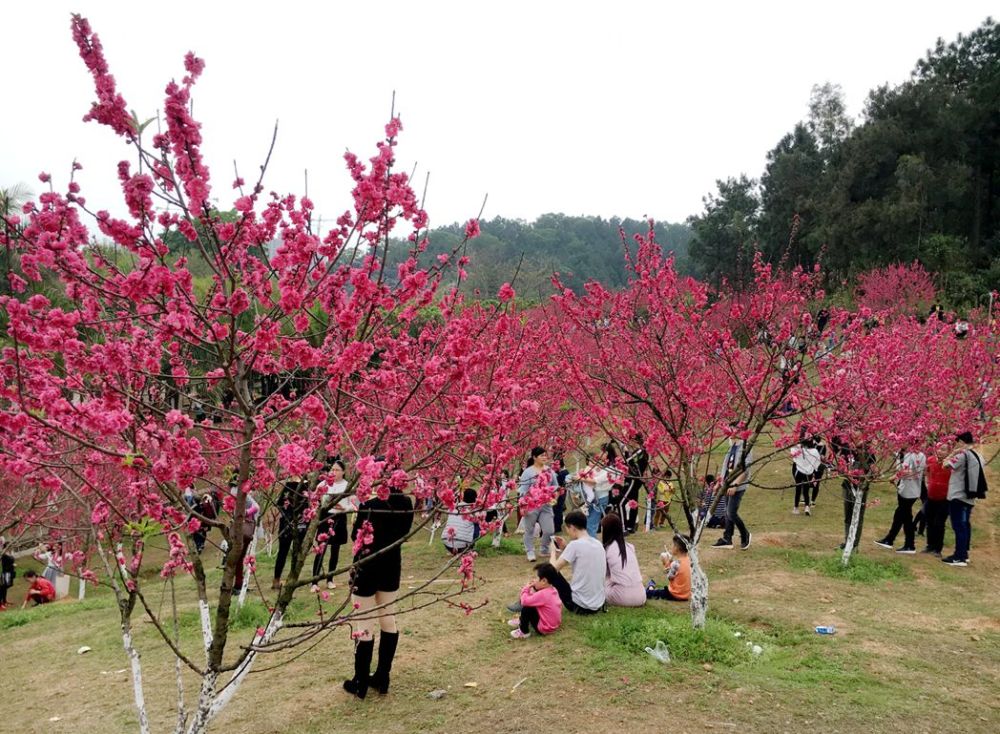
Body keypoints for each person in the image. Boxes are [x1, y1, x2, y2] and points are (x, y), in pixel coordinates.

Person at [343, 477, 415, 699]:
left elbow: (358, 534)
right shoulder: (405, 503)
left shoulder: (370, 505)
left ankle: (360, 681)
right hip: (392, 565)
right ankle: (383, 676)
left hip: (368, 566)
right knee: (388, 618)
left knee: (364, 621)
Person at [545, 510, 606, 614]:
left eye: (567, 529)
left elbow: (553, 568)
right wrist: (565, 547)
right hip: (598, 603)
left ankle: (528, 600)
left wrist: (553, 552)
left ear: (572, 527)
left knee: (547, 570)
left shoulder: (575, 545)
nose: (567, 533)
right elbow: (581, 554)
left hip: (580, 606)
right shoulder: (597, 543)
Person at [942, 432, 984, 567]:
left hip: (958, 495)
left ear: (961, 442)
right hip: (970, 495)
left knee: (959, 526)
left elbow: (945, 465)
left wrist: (952, 453)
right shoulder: (979, 456)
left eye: (957, 442)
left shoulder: (962, 455)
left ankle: (959, 557)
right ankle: (964, 554)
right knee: (965, 525)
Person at [874, 448, 926, 553]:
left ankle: (894, 540)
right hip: (903, 488)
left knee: (902, 515)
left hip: (910, 491)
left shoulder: (918, 455)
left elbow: (911, 472)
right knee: (904, 516)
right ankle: (902, 543)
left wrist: (894, 476)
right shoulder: (901, 453)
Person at [313, 459, 352, 591]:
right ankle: (314, 581)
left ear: (343, 472)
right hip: (325, 517)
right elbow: (315, 500)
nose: (334, 472)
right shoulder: (323, 484)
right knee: (321, 550)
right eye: (332, 469)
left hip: (339, 518)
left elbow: (352, 505)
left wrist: (343, 508)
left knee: (335, 550)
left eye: (337, 470)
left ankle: (330, 579)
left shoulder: (347, 485)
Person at [712, 432, 753, 550]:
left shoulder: (745, 448)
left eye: (732, 430)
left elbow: (745, 470)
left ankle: (745, 534)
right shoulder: (731, 447)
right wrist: (719, 483)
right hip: (727, 485)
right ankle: (727, 538)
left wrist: (735, 485)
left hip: (738, 486)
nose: (729, 433)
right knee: (727, 512)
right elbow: (725, 467)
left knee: (731, 512)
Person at [517, 447, 556, 562]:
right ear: (534, 457)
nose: (545, 457)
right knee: (529, 530)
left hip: (546, 505)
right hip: (531, 505)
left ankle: (544, 549)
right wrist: (522, 505)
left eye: (545, 455)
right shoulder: (528, 472)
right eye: (542, 455)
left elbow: (556, 486)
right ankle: (530, 551)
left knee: (549, 530)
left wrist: (554, 495)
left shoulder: (549, 470)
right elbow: (522, 490)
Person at [508, 563, 563, 639]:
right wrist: (532, 589)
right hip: (553, 625)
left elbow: (524, 601)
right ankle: (521, 620)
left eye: (536, 577)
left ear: (544, 581)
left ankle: (524, 631)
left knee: (527, 608)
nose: (533, 580)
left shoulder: (543, 594)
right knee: (532, 603)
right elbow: (535, 597)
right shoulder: (553, 590)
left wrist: (526, 588)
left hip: (545, 628)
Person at [600, 513, 645, 607]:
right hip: (641, 595)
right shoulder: (630, 547)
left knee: (602, 581)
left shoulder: (607, 549)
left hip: (622, 597)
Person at [578, 443, 621, 538]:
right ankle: (590, 544)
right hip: (597, 495)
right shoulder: (605, 466)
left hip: (600, 497)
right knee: (590, 522)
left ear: (607, 453)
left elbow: (595, 481)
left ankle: (592, 546)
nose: (599, 454)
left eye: (602, 451)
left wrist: (579, 478)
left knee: (591, 524)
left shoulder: (611, 469)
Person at [272, 475, 307, 590]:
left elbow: (309, 505)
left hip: (301, 523)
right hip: (287, 524)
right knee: (284, 552)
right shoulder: (288, 486)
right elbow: (280, 503)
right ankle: (277, 579)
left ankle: (291, 579)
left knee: (296, 552)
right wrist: (288, 516)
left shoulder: (306, 486)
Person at [921, 450, 951, 556]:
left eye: (944, 449)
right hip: (931, 496)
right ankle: (930, 545)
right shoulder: (930, 460)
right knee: (929, 522)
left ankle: (938, 549)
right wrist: (928, 482)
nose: (941, 451)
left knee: (939, 523)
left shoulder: (951, 463)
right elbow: (926, 472)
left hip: (945, 498)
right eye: (939, 448)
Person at [646, 535, 691, 601]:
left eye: (673, 545)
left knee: (649, 593)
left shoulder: (675, 564)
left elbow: (670, 577)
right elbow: (679, 572)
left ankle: (651, 586)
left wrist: (666, 563)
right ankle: (651, 585)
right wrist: (670, 562)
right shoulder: (689, 560)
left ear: (677, 548)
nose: (671, 547)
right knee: (660, 590)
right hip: (686, 595)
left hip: (675, 594)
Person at [620, 435, 649, 533]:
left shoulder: (641, 452)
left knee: (621, 503)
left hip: (633, 479)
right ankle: (630, 527)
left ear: (635, 441)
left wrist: (626, 451)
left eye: (631, 440)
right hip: (634, 479)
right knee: (633, 502)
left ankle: (624, 527)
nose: (630, 442)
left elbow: (628, 461)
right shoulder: (639, 452)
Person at [442, 488, 480, 555]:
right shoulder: (473, 510)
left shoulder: (454, 506)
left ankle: (454, 550)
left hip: (446, 541)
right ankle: (470, 548)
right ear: (475, 498)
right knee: (478, 524)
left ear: (463, 497)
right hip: (463, 544)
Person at [790, 437, 822, 515]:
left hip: (799, 471)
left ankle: (796, 508)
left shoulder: (799, 449)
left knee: (798, 489)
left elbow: (792, 454)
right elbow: (817, 462)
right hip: (809, 472)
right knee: (806, 490)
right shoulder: (814, 451)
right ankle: (807, 507)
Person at [0, 537, 15, 610]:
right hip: (6, 573)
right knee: (3, 587)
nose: (12, 546)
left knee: (5, 587)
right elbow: (5, 564)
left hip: (10, 572)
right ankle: (1, 603)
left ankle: (4, 601)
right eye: (10, 545)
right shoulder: (3, 554)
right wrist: (12, 565)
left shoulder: (9, 553)